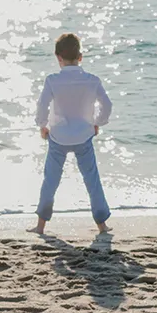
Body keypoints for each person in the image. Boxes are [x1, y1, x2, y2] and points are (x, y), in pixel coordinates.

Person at [30, 32, 115, 237]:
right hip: (83, 136)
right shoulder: (92, 80)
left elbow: (42, 106)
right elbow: (107, 105)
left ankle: (41, 226)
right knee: (91, 179)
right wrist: (97, 123)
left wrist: (42, 125)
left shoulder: (52, 80)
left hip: (58, 136)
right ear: (80, 57)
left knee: (51, 179)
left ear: (58, 57)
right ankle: (102, 225)